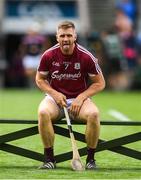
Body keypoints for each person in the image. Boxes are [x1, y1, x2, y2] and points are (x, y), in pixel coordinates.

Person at [35, 21, 105, 170]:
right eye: (62, 36)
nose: (65, 39)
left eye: (69, 35)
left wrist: (80, 98)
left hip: (79, 100)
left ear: (75, 37)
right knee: (42, 112)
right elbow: (39, 79)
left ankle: (91, 160)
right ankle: (49, 159)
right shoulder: (48, 55)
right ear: (57, 37)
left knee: (93, 114)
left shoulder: (86, 56)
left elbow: (100, 83)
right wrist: (54, 93)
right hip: (55, 99)